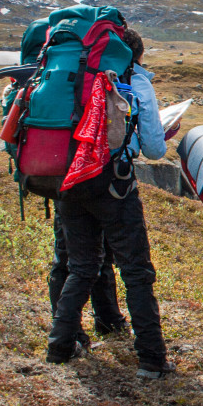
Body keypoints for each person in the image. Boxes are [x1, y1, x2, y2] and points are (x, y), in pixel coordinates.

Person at [45, 26, 176, 380]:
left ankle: (60, 346)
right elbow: (153, 149)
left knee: (81, 266)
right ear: (136, 54)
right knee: (136, 271)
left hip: (69, 179)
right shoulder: (134, 79)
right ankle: (151, 359)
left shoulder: (74, 74)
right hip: (113, 184)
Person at [47, 218, 128, 346]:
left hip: (96, 200)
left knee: (101, 254)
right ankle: (69, 335)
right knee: (67, 258)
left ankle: (109, 321)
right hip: (73, 202)